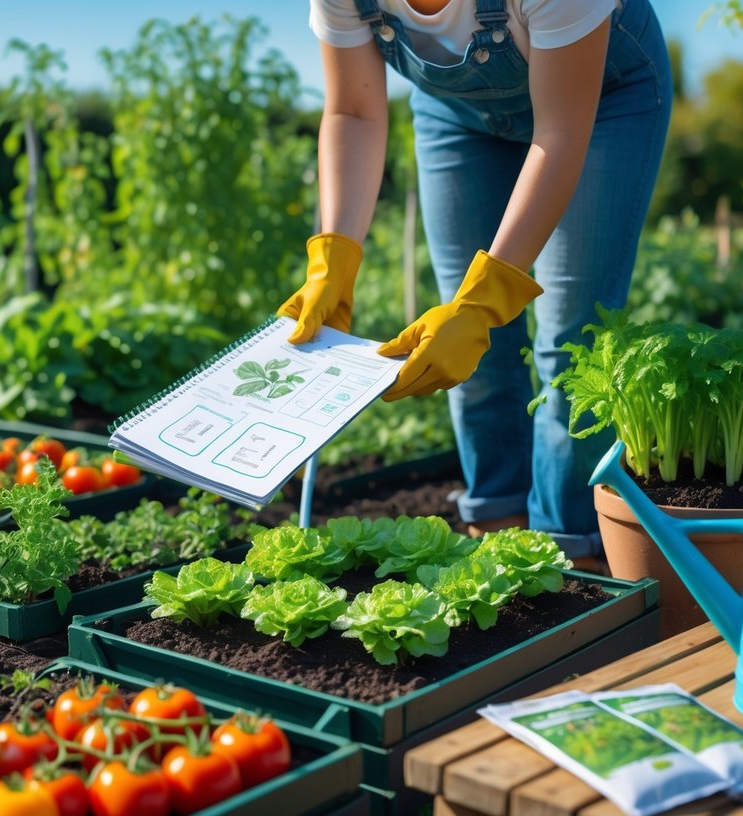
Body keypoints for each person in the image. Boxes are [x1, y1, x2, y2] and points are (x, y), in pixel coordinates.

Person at [278, 0, 672, 558]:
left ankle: (574, 555)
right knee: (467, 338)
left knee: (570, 342)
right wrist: (333, 258)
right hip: (456, 116)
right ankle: (502, 542)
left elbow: (558, 132)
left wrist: (484, 303)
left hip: (603, 102)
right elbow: (353, 113)